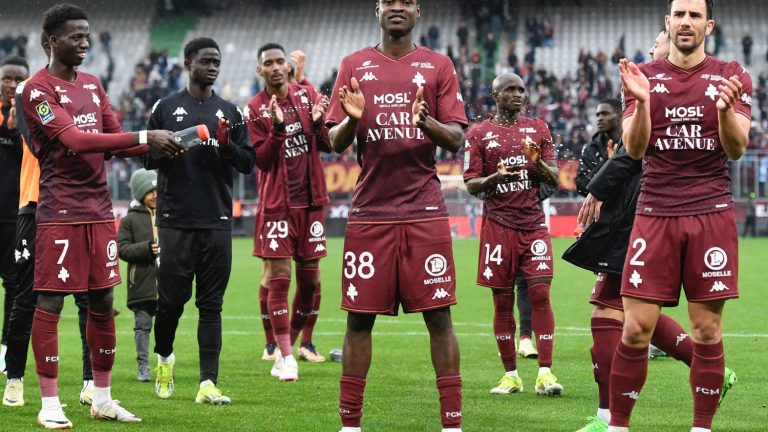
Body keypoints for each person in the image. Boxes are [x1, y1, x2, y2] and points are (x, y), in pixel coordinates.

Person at [20, 3, 183, 427]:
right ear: (53, 40)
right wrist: (148, 135)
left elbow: (113, 141)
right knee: (52, 301)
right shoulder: (36, 90)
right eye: (77, 36)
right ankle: (50, 403)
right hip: (60, 211)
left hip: (97, 210)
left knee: (104, 301)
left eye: (88, 35)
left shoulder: (92, 85)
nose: (86, 43)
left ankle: (102, 397)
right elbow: (75, 139)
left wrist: (156, 146)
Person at [566, 29, 734, 432]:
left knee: (614, 310)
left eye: (657, 42)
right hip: (632, 217)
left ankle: (610, 417)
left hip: (649, 218)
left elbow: (631, 156)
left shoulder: (678, 89)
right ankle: (613, 416)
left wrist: (598, 189)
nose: (652, 49)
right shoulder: (631, 100)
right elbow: (622, 155)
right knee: (629, 313)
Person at [610, 0, 752, 430]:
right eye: (679, 14)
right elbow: (634, 149)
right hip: (655, 212)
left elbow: (737, 148)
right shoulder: (643, 75)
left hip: (710, 212)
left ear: (708, 24)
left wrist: (725, 112)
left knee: (707, 330)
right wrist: (642, 103)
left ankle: (701, 427)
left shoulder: (731, 75)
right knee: (635, 328)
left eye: (695, 15)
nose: (686, 22)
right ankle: (617, 425)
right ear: (667, 22)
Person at [326, 1, 468, 430]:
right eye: (390, 0)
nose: (397, 7)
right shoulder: (353, 64)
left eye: (406, 1)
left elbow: (457, 138)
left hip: (424, 212)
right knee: (358, 320)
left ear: (417, 11)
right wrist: (352, 122)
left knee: (439, 317)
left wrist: (426, 122)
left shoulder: (438, 65)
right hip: (370, 214)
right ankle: (350, 425)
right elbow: (334, 140)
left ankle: (452, 424)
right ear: (377, 9)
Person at [145, 37, 255, 404]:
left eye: (217, 61)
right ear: (189, 62)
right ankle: (164, 358)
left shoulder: (230, 111)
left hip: (217, 219)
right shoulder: (166, 107)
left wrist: (227, 147)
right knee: (171, 304)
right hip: (176, 220)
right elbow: (146, 158)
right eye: (206, 60)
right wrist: (169, 147)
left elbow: (247, 163)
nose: (213, 66)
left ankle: (208, 383)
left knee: (211, 305)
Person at [3, 32, 102, 409]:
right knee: (26, 297)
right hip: (36, 206)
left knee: (89, 297)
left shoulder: (77, 92)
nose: (17, 86)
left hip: (78, 207)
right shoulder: (32, 98)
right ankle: (14, 378)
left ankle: (91, 380)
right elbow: (43, 144)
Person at [464, 72, 562, 397]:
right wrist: (496, 177)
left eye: (521, 89)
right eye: (510, 90)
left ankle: (545, 372)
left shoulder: (539, 129)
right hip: (497, 228)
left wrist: (538, 163)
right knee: (502, 302)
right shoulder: (478, 134)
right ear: (495, 95)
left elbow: (555, 177)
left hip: (533, 224)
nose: (518, 94)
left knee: (541, 295)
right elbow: (471, 184)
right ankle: (510, 375)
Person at [245, 42, 331, 379]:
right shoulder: (254, 109)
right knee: (278, 277)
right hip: (277, 205)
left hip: (310, 203)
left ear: (288, 67)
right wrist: (279, 129)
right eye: (269, 63)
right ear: (260, 70)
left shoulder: (307, 96)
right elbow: (261, 160)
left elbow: (324, 144)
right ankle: (283, 353)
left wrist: (322, 123)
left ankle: (291, 346)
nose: (277, 67)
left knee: (309, 284)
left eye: (281, 61)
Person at [117, 169, 159, 383]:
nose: (155, 194)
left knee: (165, 326)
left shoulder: (167, 214)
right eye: (150, 190)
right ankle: (143, 366)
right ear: (140, 192)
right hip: (141, 283)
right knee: (142, 327)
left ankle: (163, 362)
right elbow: (121, 249)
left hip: (167, 283)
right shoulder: (129, 220)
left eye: (156, 189)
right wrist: (146, 248)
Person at [0, 56, 25, 375]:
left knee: (14, 284)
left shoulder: (34, 116)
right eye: (7, 78)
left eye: (20, 79)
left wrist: (20, 131)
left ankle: (6, 348)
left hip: (15, 215)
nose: (12, 84)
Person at [575, 99, 622, 197]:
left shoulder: (632, 145)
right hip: (603, 211)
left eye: (605, 114)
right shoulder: (590, 149)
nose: (599, 118)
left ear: (620, 116)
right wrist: (606, 162)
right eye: (598, 115)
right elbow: (582, 187)